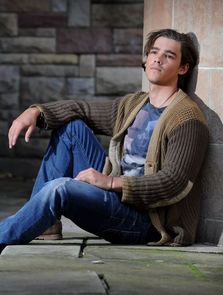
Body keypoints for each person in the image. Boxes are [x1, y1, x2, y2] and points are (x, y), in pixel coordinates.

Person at [0, 28, 209, 253]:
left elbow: (173, 182)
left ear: (183, 68)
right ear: (147, 58)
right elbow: (82, 109)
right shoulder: (134, 104)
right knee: (71, 128)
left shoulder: (188, 118)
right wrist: (35, 112)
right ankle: (46, 225)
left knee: (59, 189)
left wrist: (108, 182)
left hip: (143, 222)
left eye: (169, 56)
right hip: (114, 197)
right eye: (154, 52)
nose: (157, 58)